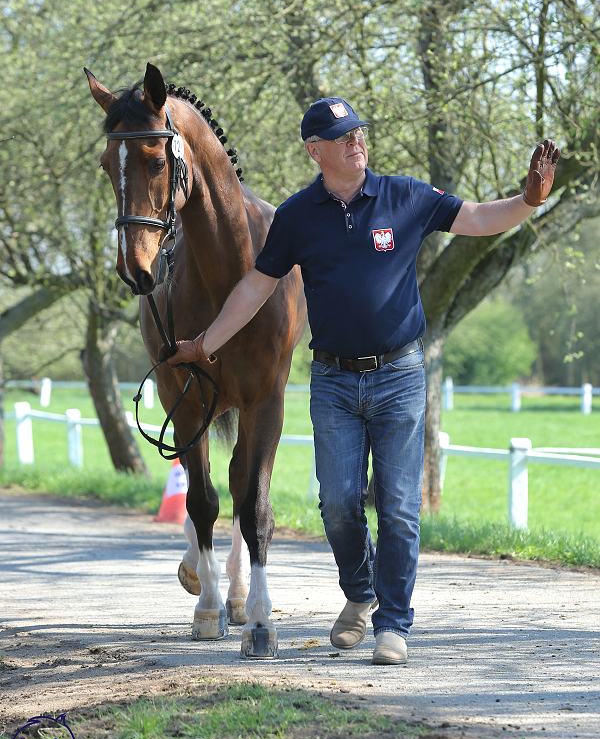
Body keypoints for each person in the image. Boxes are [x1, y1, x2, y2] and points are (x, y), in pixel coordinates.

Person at [164, 96, 560, 665]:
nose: (356, 140)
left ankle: (393, 624)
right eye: (341, 135)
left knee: (398, 506)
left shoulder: (406, 196)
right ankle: (360, 592)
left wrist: (527, 201)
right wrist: (204, 345)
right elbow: (255, 287)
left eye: (358, 131)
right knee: (339, 504)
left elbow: (476, 218)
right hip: (332, 381)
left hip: (399, 375)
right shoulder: (297, 216)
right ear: (314, 150)